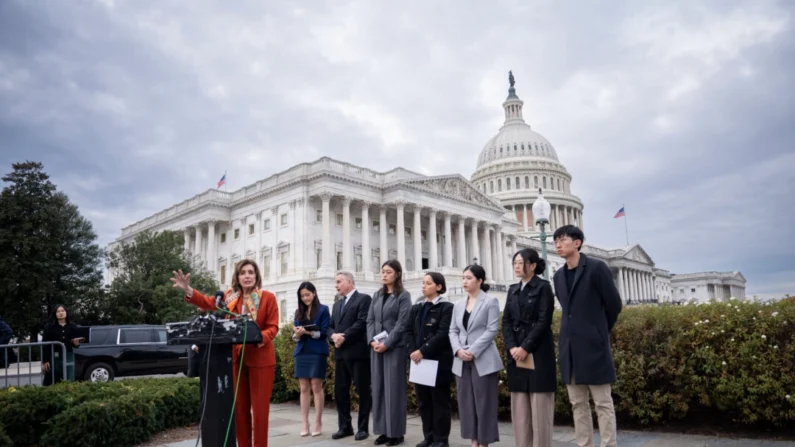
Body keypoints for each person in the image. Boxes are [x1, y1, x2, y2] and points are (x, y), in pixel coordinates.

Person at [171, 260, 279, 447]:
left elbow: (273, 327)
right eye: (243, 272)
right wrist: (188, 290)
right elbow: (208, 302)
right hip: (236, 359)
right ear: (237, 277)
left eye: (251, 272)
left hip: (260, 359)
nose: (247, 276)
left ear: (256, 276)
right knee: (240, 411)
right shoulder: (230, 297)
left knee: (260, 412)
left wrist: (258, 337)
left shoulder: (267, 297)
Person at [552, 225, 622, 447]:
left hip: (594, 347)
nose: (558, 245)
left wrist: (598, 330)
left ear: (577, 242)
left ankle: (609, 444)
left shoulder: (597, 268)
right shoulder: (558, 276)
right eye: (555, 241)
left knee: (603, 403)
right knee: (577, 404)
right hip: (570, 349)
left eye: (562, 240)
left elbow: (614, 304)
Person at [503, 248, 557, 447]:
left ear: (532, 265)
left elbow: (544, 321)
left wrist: (525, 347)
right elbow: (506, 321)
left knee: (540, 410)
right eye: (515, 263)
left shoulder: (543, 288)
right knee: (520, 412)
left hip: (538, 353)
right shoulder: (512, 289)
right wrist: (511, 347)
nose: (517, 266)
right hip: (516, 355)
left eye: (521, 262)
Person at [449, 265, 502, 447]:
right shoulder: (457, 305)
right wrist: (458, 350)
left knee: (484, 404)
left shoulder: (490, 301)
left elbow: (492, 329)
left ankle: (484, 442)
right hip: (461, 361)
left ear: (480, 280)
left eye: (469, 278)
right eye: (463, 277)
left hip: (484, 360)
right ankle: (474, 441)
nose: (464, 281)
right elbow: (452, 331)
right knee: (467, 404)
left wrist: (473, 350)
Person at [404, 272, 454, 447]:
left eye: (428, 283)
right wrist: (413, 351)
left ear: (438, 287)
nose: (423, 286)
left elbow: (442, 334)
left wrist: (423, 351)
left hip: (438, 362)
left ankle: (441, 439)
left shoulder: (447, 308)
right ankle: (429, 436)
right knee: (424, 401)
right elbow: (408, 331)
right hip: (419, 362)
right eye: (423, 283)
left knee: (440, 401)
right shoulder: (417, 308)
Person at [367, 260, 412, 446]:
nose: (384, 275)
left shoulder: (404, 296)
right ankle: (382, 431)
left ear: (397, 274)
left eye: (388, 272)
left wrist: (388, 343)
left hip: (395, 348)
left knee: (394, 390)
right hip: (376, 348)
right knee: (378, 389)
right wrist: (372, 341)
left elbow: (402, 323)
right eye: (382, 272)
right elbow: (369, 319)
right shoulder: (377, 295)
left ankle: (396, 432)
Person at [327, 271, 373, 441]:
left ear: (349, 282)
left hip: (358, 355)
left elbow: (361, 323)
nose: (336, 285)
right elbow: (330, 326)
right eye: (336, 282)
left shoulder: (363, 299)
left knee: (362, 391)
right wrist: (333, 336)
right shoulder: (337, 304)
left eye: (339, 281)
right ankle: (345, 427)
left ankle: (362, 428)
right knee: (340, 392)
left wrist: (343, 336)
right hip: (340, 355)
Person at [292, 281, 331, 437]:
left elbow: (323, 333)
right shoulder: (298, 312)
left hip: (317, 351)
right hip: (302, 351)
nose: (305, 298)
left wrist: (307, 333)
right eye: (302, 296)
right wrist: (297, 334)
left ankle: (317, 422)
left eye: (307, 295)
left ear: (314, 293)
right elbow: (295, 337)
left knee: (316, 386)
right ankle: (305, 423)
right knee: (303, 387)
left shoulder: (323, 310)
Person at [41, 305, 83, 385]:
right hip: (54, 356)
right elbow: (45, 345)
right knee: (54, 379)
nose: (61, 313)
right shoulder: (49, 327)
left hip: (68, 355)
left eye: (63, 311)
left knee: (70, 379)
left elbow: (75, 344)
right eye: (58, 311)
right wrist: (45, 360)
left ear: (66, 312)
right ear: (55, 314)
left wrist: (76, 344)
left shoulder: (73, 326)